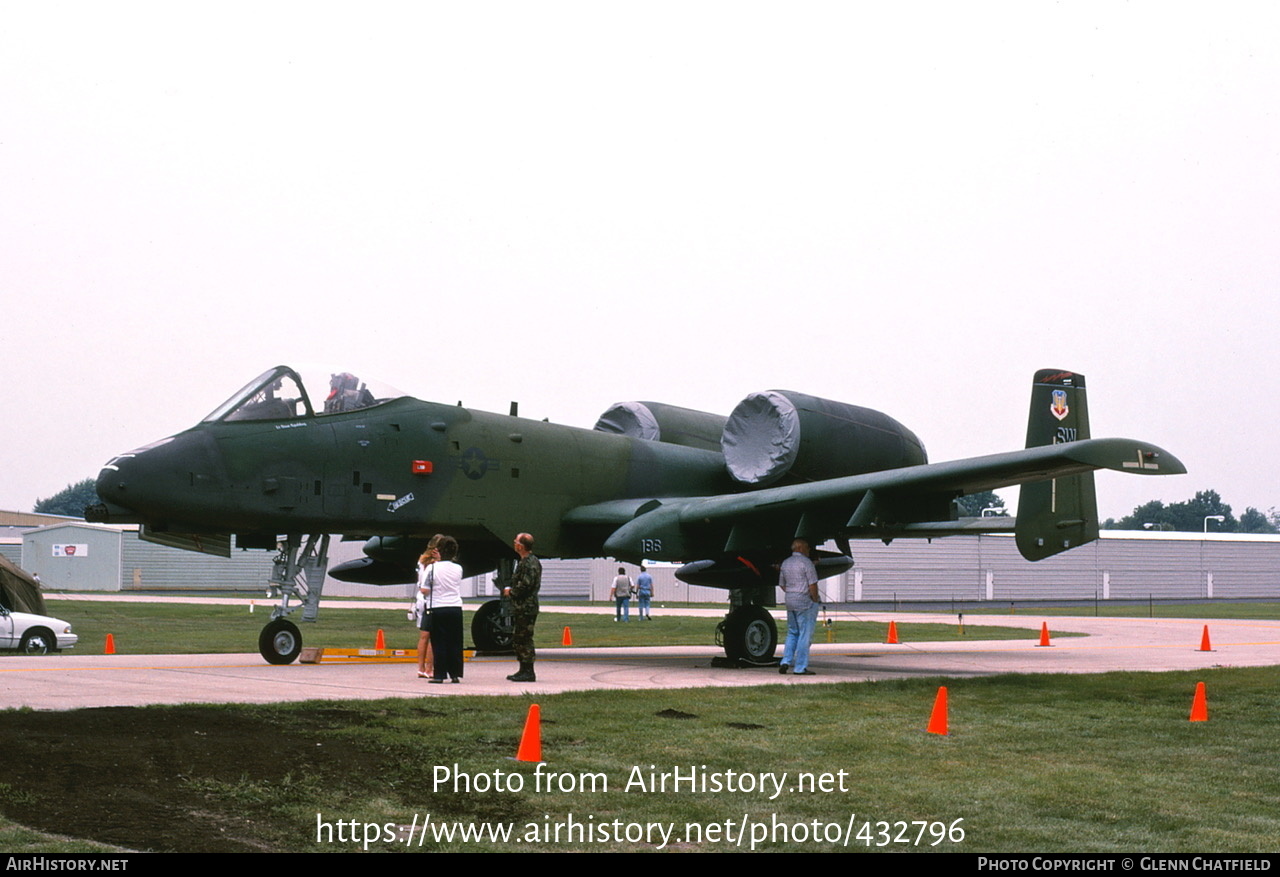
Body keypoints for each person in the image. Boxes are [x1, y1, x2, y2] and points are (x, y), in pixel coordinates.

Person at [422, 535, 465, 683]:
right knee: (455, 642)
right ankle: (455, 674)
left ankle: (439, 674)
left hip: (438, 607)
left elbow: (424, 589)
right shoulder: (458, 568)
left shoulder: (432, 568)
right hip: (455, 607)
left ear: (439, 551)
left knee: (439, 642)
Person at [778, 538, 820, 676]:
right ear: (801, 548)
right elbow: (812, 584)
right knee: (805, 634)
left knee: (792, 632)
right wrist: (815, 599)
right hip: (804, 602)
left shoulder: (785, 562)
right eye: (807, 547)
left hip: (790, 600)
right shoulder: (807, 563)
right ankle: (800, 667)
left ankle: (785, 661)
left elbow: (782, 584)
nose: (809, 550)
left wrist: (792, 591)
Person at [503, 532, 542, 682]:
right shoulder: (526, 561)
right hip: (523, 606)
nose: (514, 544)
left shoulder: (529, 563)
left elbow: (526, 584)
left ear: (521, 546)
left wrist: (511, 592)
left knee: (524, 638)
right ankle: (523, 669)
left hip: (526, 606)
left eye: (516, 542)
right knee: (519, 637)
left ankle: (528, 671)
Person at [413, 538, 439, 679]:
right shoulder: (435, 564)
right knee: (433, 637)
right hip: (431, 600)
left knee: (423, 637)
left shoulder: (421, 561)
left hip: (420, 601)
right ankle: (430, 668)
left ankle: (421, 668)